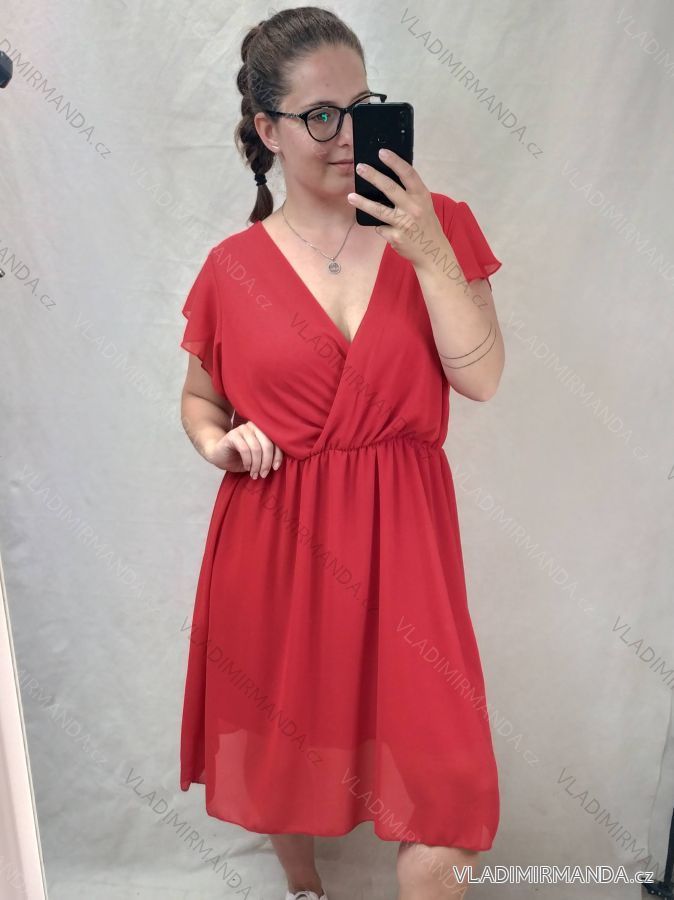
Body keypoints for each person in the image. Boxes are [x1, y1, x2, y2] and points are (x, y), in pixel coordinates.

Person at [178, 7, 505, 900]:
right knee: (283, 751)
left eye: (363, 107)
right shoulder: (231, 268)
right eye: (321, 115)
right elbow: (201, 400)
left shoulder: (439, 225)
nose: (349, 134)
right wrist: (218, 442)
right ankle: (303, 886)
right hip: (274, 542)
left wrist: (428, 254)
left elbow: (481, 379)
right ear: (268, 131)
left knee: (446, 789)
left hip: (406, 546)